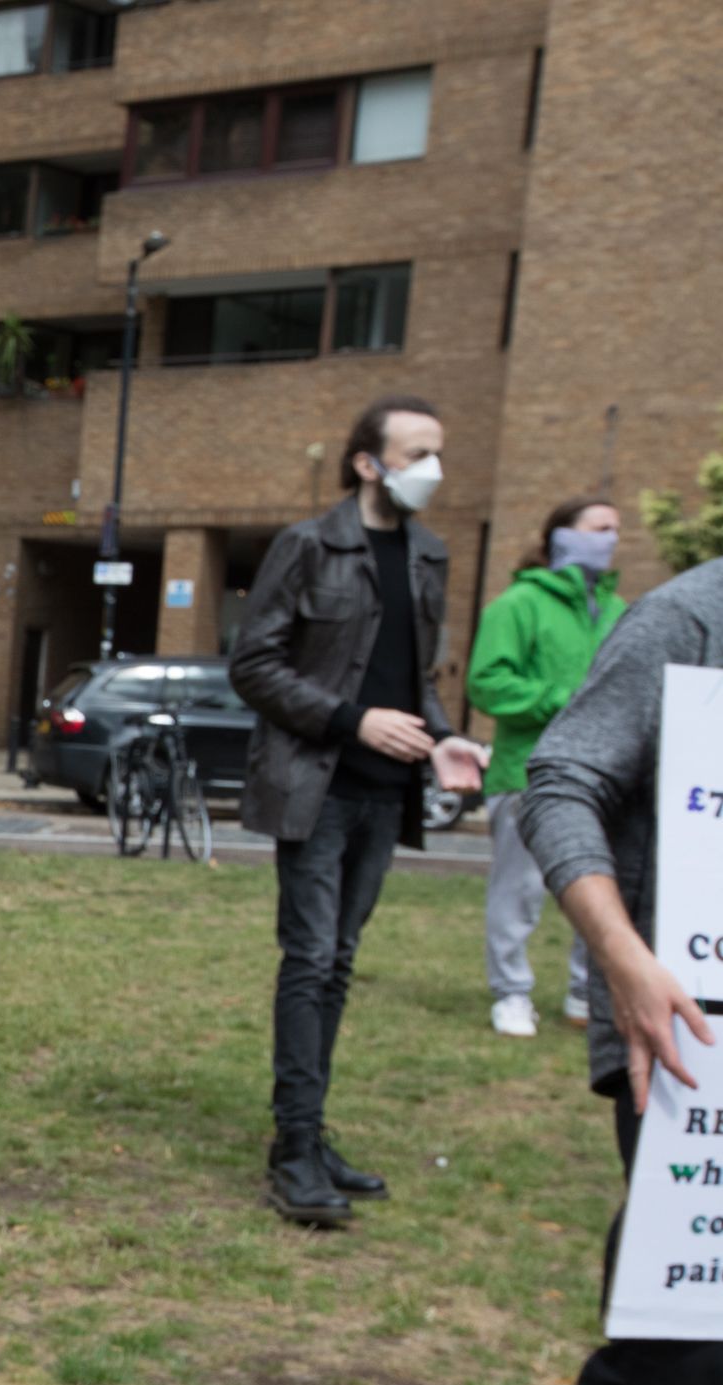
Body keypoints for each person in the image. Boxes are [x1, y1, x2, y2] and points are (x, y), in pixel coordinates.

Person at [494, 554, 723, 1385]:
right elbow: (562, 781)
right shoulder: (688, 618)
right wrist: (624, 958)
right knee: (680, 1329)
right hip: (679, 1033)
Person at [227, 394, 486, 1227]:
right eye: (416, 454)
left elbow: (416, 679)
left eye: (438, 452)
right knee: (308, 961)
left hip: (386, 795)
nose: (433, 470)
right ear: (368, 463)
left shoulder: (428, 556)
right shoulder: (309, 545)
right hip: (316, 787)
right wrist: (351, 720)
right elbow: (253, 664)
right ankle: (294, 1151)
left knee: (336, 963)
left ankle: (309, 1135)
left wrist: (443, 738)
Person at [467, 497, 624, 1037]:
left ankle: (586, 991)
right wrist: (568, 698)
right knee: (521, 891)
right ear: (561, 535)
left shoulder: (620, 611)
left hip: (605, 778)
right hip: (526, 773)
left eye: (616, 530)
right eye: (599, 528)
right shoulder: (518, 605)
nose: (611, 538)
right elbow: (487, 683)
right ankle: (511, 993)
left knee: (600, 888)